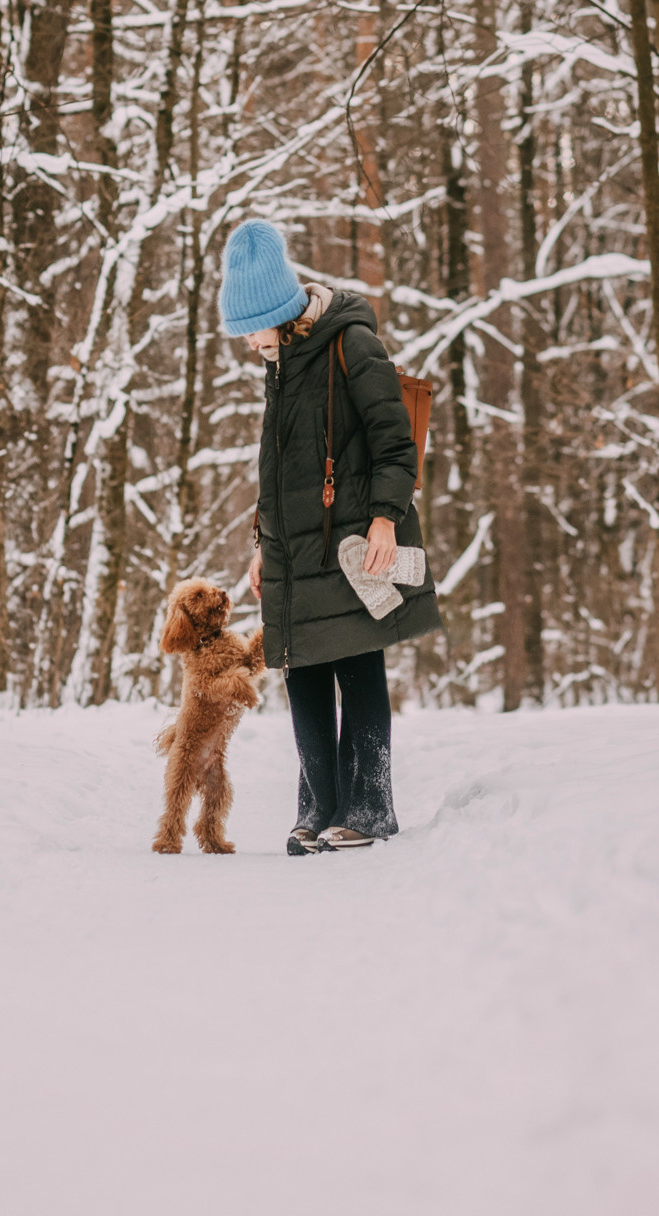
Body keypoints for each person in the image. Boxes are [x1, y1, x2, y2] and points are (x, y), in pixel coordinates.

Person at [218, 218, 443, 854]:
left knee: (357, 666)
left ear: (280, 311)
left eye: (251, 332)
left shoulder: (352, 345)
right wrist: (262, 540)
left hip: (352, 544)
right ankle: (316, 810)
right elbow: (276, 459)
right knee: (302, 674)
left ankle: (369, 811)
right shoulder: (280, 358)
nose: (248, 346)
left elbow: (395, 444)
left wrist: (383, 518)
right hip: (293, 548)